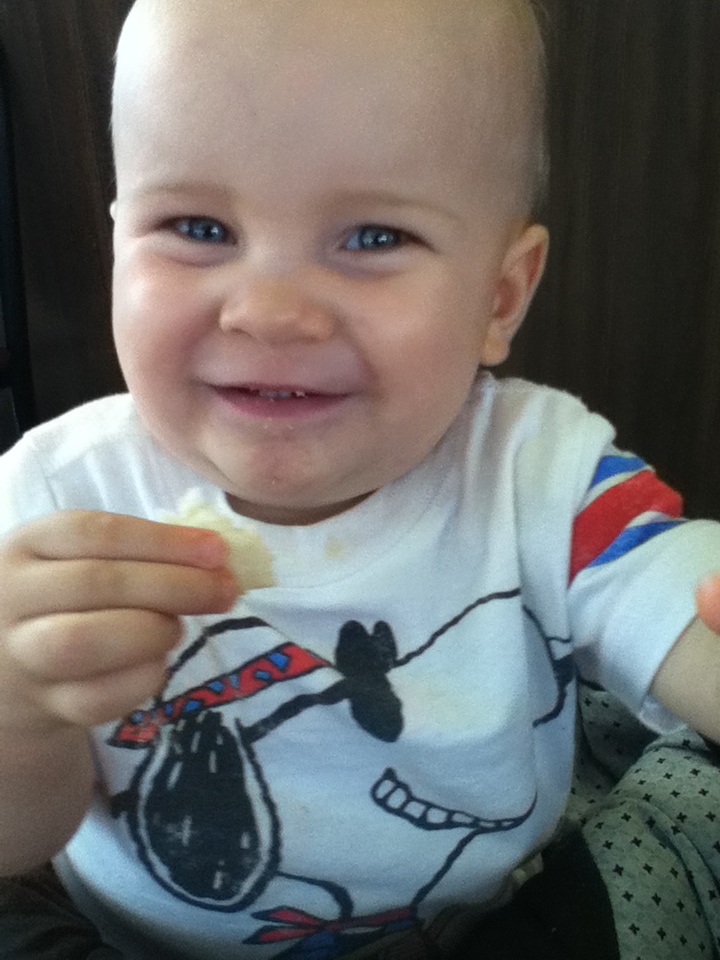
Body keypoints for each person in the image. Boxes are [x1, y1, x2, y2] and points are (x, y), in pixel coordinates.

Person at [0, 0, 719, 958]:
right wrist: (20, 709)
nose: (269, 311)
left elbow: (678, 605)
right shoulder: (51, 506)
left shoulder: (540, 471)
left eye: (373, 237)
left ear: (499, 297)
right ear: (119, 244)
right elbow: (17, 846)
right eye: (198, 226)